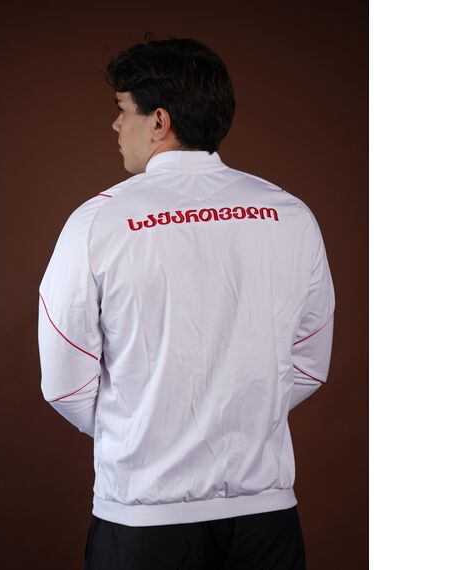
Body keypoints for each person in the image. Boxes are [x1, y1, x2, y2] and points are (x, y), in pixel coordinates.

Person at [38, 34, 335, 570]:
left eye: (122, 110)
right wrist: (235, 413)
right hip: (266, 521)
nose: (115, 125)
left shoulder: (97, 222)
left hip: (143, 520)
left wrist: (149, 425)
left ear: (159, 121)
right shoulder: (291, 214)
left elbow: (66, 384)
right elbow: (309, 364)